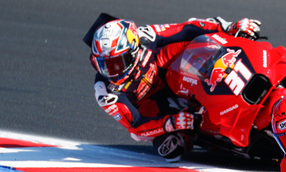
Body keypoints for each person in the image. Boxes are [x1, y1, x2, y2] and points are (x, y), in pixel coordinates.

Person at [88, 14, 261, 162]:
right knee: (171, 148)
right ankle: (205, 130)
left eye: (117, 63)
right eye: (104, 65)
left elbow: (187, 28)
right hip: (156, 107)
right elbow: (136, 128)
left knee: (204, 43)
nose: (111, 72)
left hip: (173, 72)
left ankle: (245, 69)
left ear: (134, 50)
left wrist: (226, 27)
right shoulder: (105, 92)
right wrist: (170, 124)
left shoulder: (146, 36)